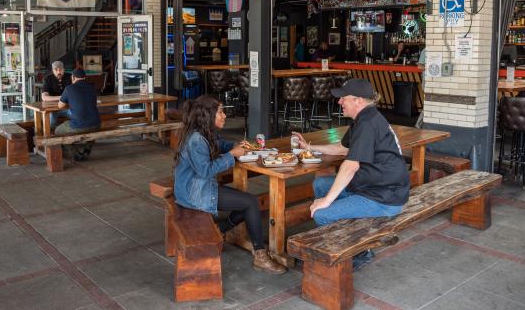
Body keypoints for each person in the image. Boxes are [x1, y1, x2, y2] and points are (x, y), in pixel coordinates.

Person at [292, 78, 409, 269]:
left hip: (384, 197)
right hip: (371, 187)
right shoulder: (364, 118)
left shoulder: (368, 123)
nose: (339, 102)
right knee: (320, 184)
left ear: (358, 101)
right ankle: (341, 237)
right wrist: (309, 147)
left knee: (322, 213)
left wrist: (327, 201)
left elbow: (350, 166)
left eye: (343, 98)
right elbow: (342, 149)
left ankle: (354, 253)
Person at [173, 95, 287, 275]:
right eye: (220, 112)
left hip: (198, 187)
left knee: (250, 202)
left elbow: (221, 144)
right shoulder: (197, 140)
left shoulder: (203, 132)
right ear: (208, 115)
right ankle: (260, 255)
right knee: (251, 203)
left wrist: (236, 145)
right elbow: (205, 171)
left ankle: (220, 230)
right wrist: (232, 154)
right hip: (194, 193)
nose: (224, 115)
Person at [55, 68, 101, 161]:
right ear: (84, 77)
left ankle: (75, 153)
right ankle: (87, 149)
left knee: (57, 131)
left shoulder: (69, 88)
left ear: (73, 77)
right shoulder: (92, 87)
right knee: (92, 129)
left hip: (79, 126)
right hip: (97, 124)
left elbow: (60, 106)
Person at [42, 61, 73, 129]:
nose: (58, 72)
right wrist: (62, 97)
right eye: (56, 70)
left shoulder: (70, 77)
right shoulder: (47, 79)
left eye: (60, 69)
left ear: (64, 69)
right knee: (51, 124)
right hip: (52, 109)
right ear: (53, 70)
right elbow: (44, 97)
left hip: (68, 107)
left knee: (79, 117)